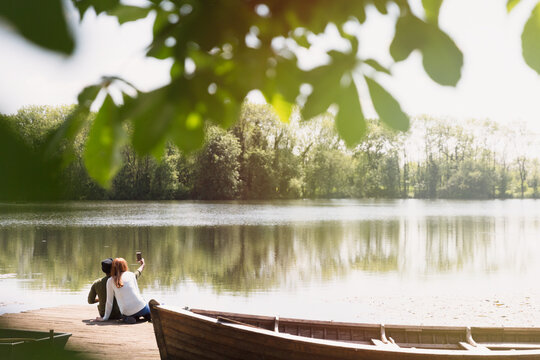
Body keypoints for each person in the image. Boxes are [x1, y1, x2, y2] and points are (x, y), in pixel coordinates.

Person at [95, 257, 150, 324]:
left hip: (127, 312)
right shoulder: (131, 275)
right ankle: (147, 315)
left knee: (126, 314)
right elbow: (137, 292)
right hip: (141, 307)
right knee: (146, 307)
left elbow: (109, 302)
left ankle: (129, 318)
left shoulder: (110, 281)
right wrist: (143, 264)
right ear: (125, 265)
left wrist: (105, 318)